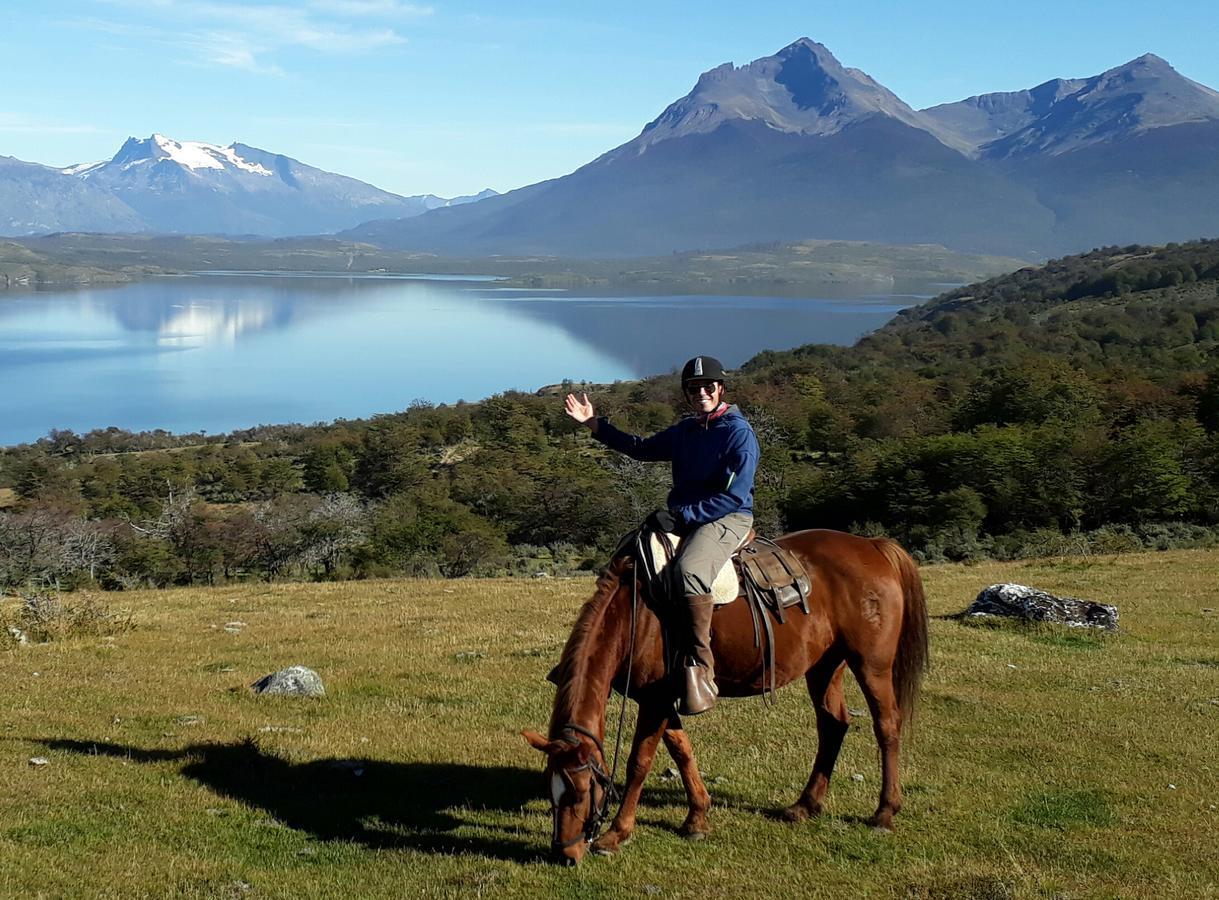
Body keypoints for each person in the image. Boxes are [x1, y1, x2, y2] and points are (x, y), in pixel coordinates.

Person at [564, 355, 759, 715]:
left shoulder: (737, 433)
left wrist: (682, 515)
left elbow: (733, 496)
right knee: (628, 553)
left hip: (727, 518)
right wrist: (592, 423)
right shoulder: (687, 430)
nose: (701, 393)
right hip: (686, 516)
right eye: (693, 388)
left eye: (707, 386)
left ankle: (701, 667)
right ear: (686, 394)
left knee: (690, 572)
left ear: (721, 389)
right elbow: (640, 448)